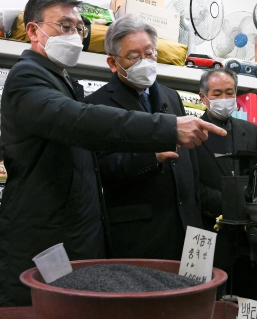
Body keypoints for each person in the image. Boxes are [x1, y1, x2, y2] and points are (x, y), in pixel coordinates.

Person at [0, 0, 226, 307]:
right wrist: (167, 131)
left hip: (80, 240)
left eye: (78, 28)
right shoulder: (27, 78)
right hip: (47, 241)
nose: (74, 35)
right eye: (64, 26)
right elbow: (82, 123)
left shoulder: (64, 83)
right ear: (33, 30)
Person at [85, 15, 203, 260]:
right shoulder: (97, 105)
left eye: (149, 54)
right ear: (113, 62)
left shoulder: (172, 97)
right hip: (138, 234)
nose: (145, 62)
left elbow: (191, 166)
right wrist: (152, 157)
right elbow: (100, 167)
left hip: (188, 228)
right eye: (134, 56)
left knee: (190, 297)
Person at [194, 68, 257, 299]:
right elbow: (189, 184)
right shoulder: (191, 132)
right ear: (203, 98)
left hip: (247, 236)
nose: (224, 99)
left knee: (248, 302)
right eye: (217, 94)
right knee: (205, 300)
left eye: (229, 92)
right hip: (205, 231)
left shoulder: (251, 131)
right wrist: (230, 205)